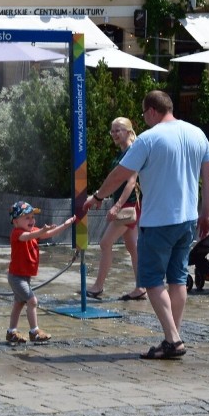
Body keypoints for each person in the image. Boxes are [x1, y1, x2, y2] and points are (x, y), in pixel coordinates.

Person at [84, 90, 209, 360]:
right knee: (178, 280)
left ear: (152, 111)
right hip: (188, 219)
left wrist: (97, 196)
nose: (143, 119)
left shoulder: (148, 139)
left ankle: (173, 339)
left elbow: (121, 174)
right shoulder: (196, 134)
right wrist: (206, 214)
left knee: (153, 281)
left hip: (157, 222)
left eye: (144, 113)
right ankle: (171, 338)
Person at [86, 117, 146, 302]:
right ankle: (141, 287)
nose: (114, 134)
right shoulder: (123, 154)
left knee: (105, 243)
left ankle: (98, 287)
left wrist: (117, 206)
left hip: (128, 206)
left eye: (118, 130)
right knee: (132, 247)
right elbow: (116, 181)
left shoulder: (133, 152)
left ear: (128, 131)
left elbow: (130, 182)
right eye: (112, 130)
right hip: (128, 205)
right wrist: (100, 195)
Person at [6, 201, 76, 344]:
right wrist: (41, 231)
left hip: (24, 277)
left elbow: (48, 233)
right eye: (27, 217)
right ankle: (34, 332)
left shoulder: (33, 231)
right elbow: (28, 237)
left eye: (32, 217)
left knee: (19, 303)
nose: (31, 220)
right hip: (16, 277)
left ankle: (11, 332)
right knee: (32, 301)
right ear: (15, 221)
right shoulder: (17, 233)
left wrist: (65, 225)